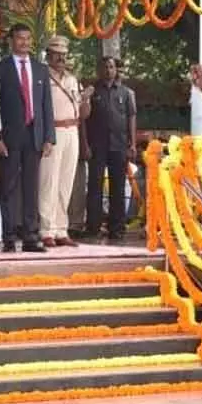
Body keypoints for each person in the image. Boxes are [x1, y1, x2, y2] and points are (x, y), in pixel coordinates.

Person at [0, 23, 53, 253]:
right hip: (8, 137)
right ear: (11, 40)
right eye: (20, 38)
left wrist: (49, 136)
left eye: (28, 39)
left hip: (34, 135)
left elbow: (46, 105)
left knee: (32, 187)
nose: (25, 43)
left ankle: (30, 236)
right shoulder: (0, 68)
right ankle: (8, 235)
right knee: (7, 187)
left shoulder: (40, 69)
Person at [38, 35, 87, 247]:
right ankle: (46, 229)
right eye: (56, 53)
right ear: (48, 55)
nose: (61, 57)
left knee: (66, 181)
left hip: (72, 129)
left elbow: (83, 112)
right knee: (49, 180)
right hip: (53, 131)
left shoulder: (72, 79)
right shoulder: (41, 76)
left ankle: (61, 228)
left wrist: (86, 100)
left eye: (64, 54)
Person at [82, 56, 136, 241]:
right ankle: (93, 226)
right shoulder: (91, 91)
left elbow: (131, 118)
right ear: (99, 69)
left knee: (118, 187)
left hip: (119, 145)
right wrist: (85, 145)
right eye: (104, 67)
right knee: (95, 186)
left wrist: (133, 144)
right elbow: (83, 120)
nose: (108, 70)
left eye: (111, 67)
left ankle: (117, 228)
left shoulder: (126, 92)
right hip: (97, 146)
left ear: (116, 69)